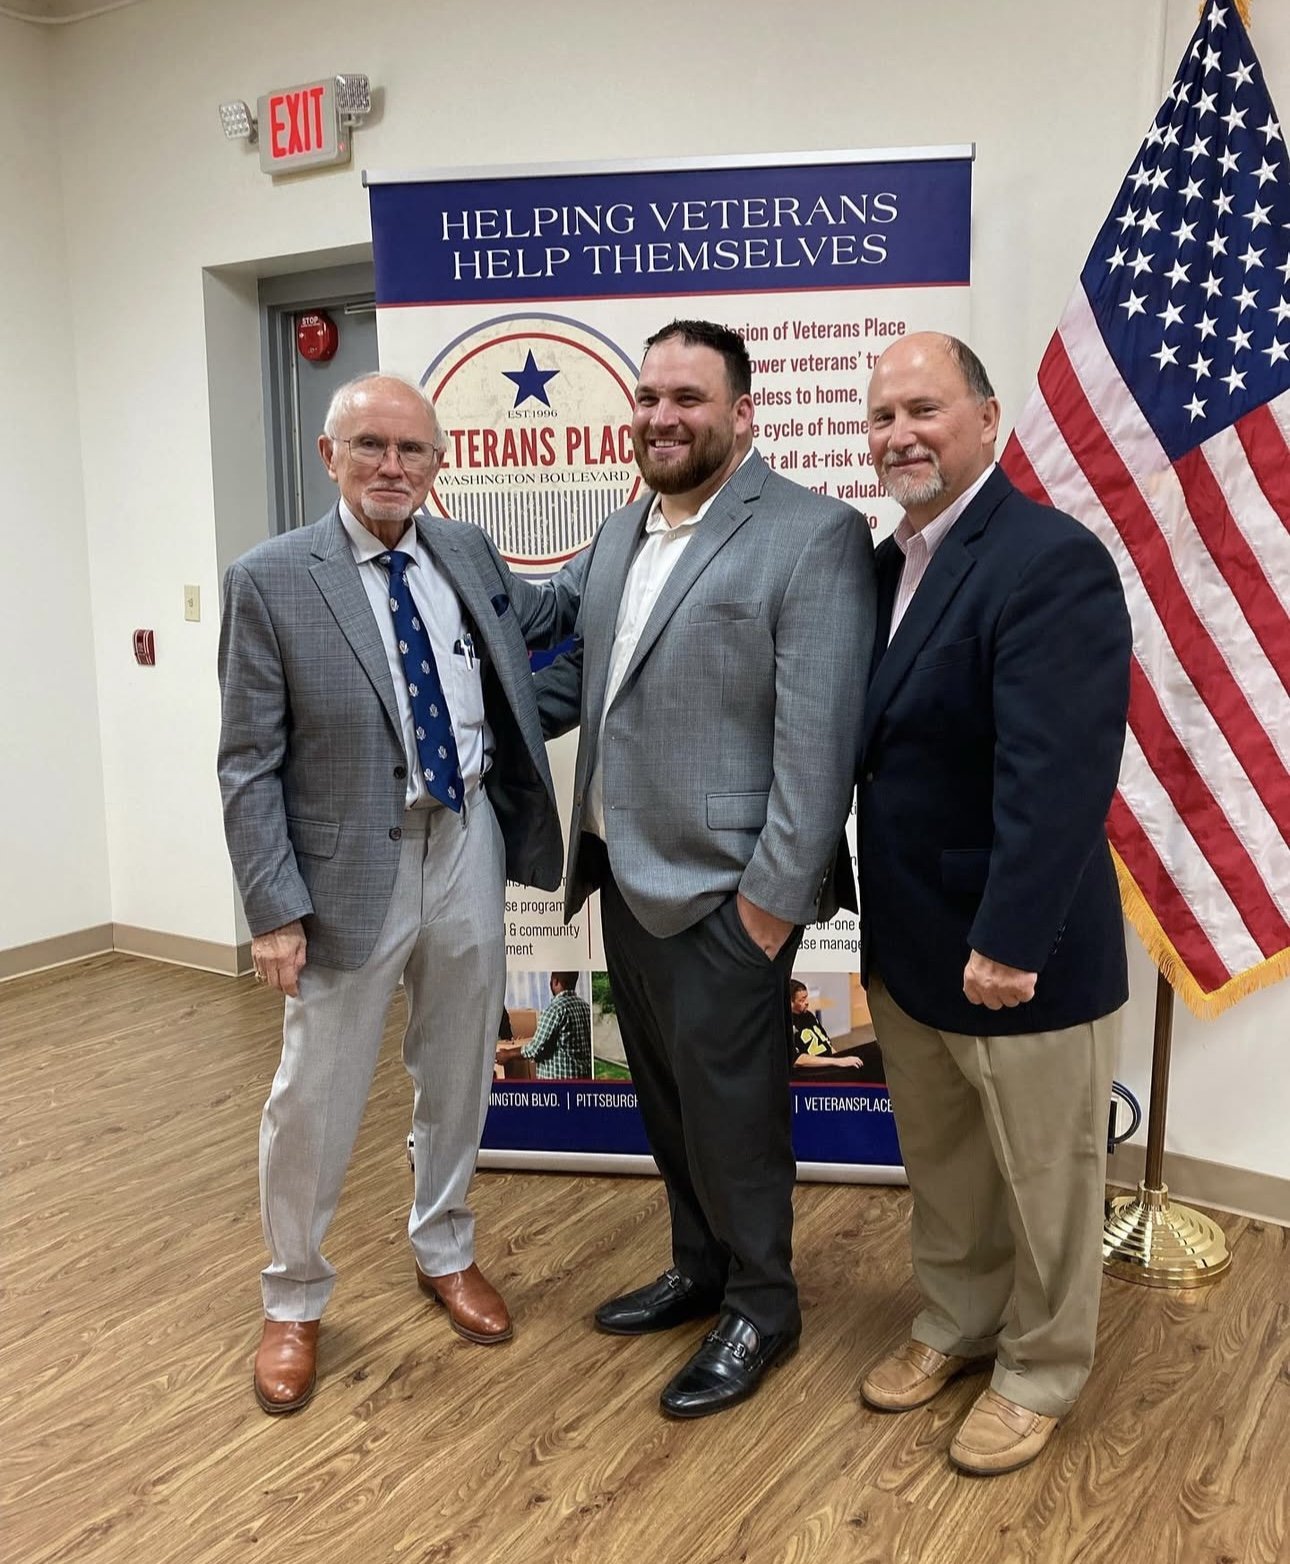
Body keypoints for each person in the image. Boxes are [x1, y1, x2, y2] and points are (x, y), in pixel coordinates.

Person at [217, 372, 579, 1415]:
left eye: (412, 450)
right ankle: (292, 1297)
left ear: (437, 463)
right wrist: (273, 909)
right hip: (343, 871)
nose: (391, 467)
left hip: (464, 837)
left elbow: (549, 610)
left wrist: (642, 527)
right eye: (369, 446)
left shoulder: (463, 553)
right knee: (314, 1091)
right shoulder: (272, 579)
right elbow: (248, 763)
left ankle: (445, 1245)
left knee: (459, 1060)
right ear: (329, 456)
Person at [536, 320, 876, 1418]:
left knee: (737, 1117)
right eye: (647, 396)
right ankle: (702, 1267)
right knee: (672, 1104)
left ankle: (764, 1305)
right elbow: (572, 663)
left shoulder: (812, 535)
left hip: (731, 898)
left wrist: (771, 910)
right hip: (622, 880)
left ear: (741, 413)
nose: (661, 416)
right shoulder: (619, 530)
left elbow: (818, 749)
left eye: (688, 396)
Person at [856, 333, 1131, 1475]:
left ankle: (1041, 1365)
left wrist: (1012, 938)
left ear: (986, 419)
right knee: (950, 1163)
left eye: (923, 408)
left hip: (1018, 949)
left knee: (1047, 1174)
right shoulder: (885, 566)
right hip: (912, 942)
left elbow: (1059, 773)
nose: (899, 434)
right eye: (881, 417)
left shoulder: (1047, 558)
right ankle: (960, 1321)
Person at [513, 972, 592, 1078]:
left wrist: (507, 1054)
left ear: (555, 982)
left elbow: (534, 1049)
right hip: (583, 1082)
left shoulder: (555, 1010)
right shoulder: (586, 1008)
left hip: (559, 1085)